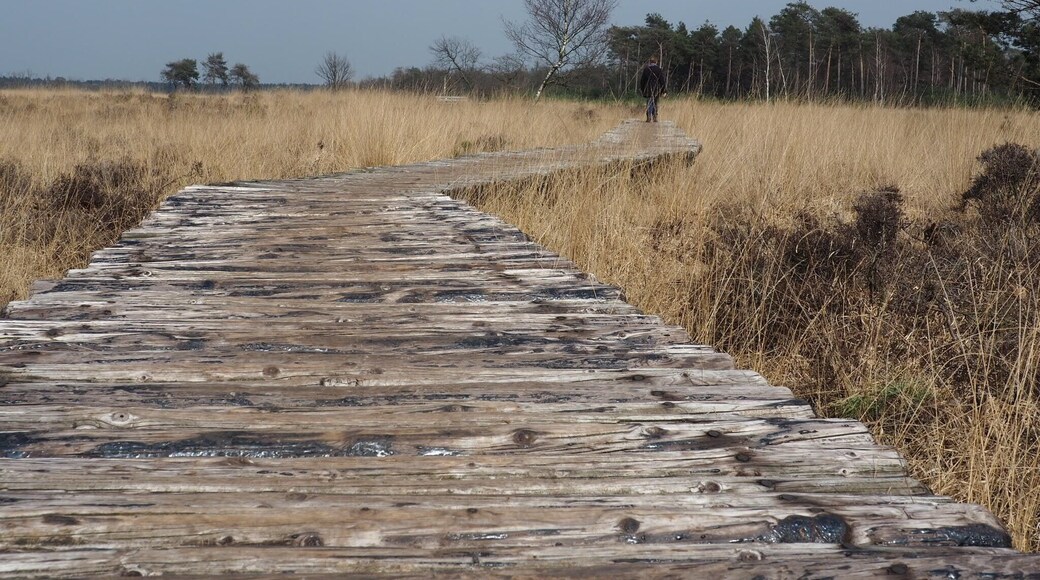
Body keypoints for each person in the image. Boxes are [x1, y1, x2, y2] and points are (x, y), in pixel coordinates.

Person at [638, 56, 667, 123]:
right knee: (655, 102)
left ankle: (648, 116)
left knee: (649, 102)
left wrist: (642, 89)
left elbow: (642, 81)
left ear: (650, 62)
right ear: (656, 62)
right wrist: (663, 90)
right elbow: (662, 81)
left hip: (648, 88)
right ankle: (654, 116)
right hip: (656, 88)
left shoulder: (646, 69)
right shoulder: (659, 69)